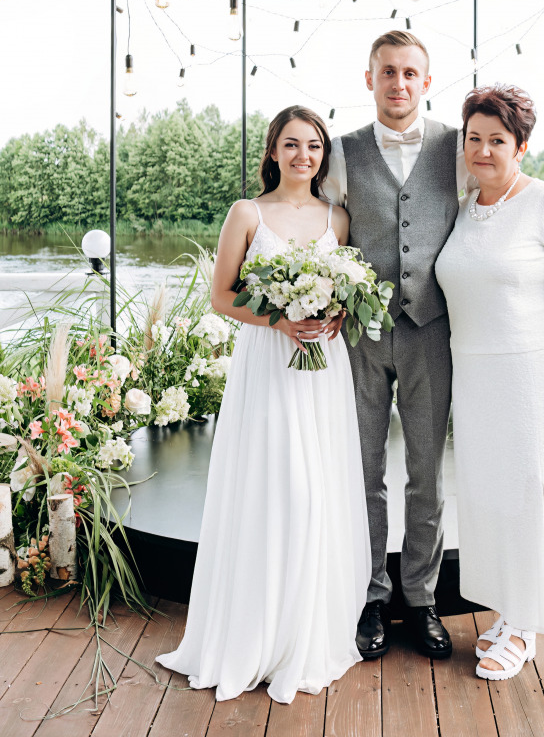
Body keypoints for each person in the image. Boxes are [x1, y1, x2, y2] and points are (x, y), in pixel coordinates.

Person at [156, 105, 371, 704]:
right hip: (267, 367)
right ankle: (255, 633)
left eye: (315, 146)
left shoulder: (339, 218)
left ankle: (307, 631)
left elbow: (346, 294)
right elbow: (221, 296)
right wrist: (281, 319)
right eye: (293, 144)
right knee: (275, 488)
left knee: (318, 492)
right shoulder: (247, 213)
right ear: (273, 151)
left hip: (322, 372)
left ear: (324, 155)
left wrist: (333, 313)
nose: (305, 156)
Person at [435, 84, 544, 681]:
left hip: (536, 379)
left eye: (497, 140)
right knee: (494, 500)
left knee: (533, 497)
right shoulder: (462, 207)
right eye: (473, 138)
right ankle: (511, 610)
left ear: (522, 146)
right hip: (477, 378)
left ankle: (529, 626)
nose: (483, 150)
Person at [323, 30, 467, 660]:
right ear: (370, 79)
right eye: (388, 72)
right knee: (363, 470)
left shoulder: (458, 147)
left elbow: (494, 206)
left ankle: (422, 596)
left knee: (426, 473)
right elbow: (321, 232)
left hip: (430, 330)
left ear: (427, 81)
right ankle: (371, 595)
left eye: (411, 73)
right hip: (359, 333)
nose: (399, 84)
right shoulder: (341, 151)